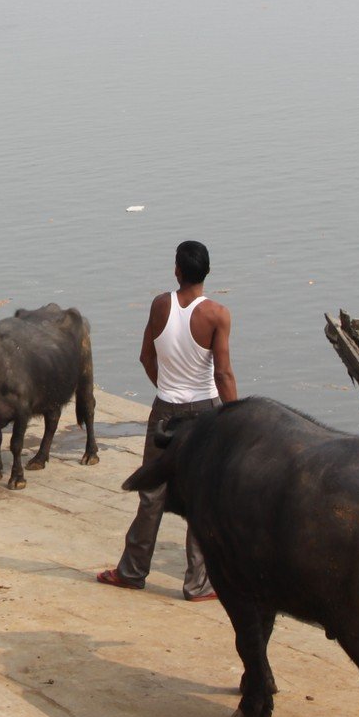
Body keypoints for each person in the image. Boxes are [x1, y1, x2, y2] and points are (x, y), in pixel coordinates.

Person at [97, 239, 236, 600]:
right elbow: (223, 375)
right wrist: (235, 418)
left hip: (164, 410)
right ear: (207, 272)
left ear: (177, 270)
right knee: (201, 500)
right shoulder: (218, 314)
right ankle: (198, 584)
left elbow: (145, 356)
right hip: (203, 414)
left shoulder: (160, 305)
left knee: (151, 494)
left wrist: (167, 388)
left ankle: (131, 572)